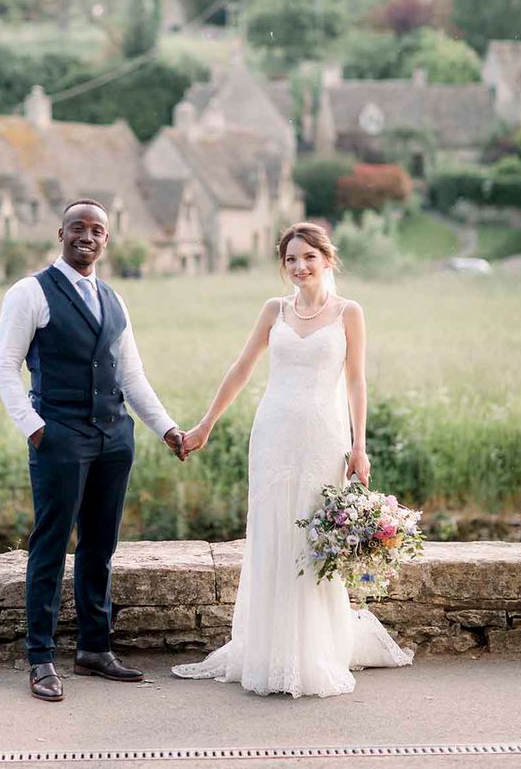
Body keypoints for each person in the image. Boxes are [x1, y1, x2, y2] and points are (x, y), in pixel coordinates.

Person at [173, 221, 413, 697]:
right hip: (273, 436)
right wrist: (204, 425)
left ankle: (314, 652)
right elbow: (241, 369)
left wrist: (359, 447)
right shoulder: (274, 311)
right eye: (290, 260)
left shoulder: (349, 313)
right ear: (283, 267)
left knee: (312, 539)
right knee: (273, 536)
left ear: (327, 259)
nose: (300, 267)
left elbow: (357, 382)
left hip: (325, 438)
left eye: (309, 257)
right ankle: (267, 650)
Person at [0, 199, 187, 702]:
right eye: (78, 227)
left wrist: (166, 429)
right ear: (61, 232)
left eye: (97, 230)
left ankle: (94, 650)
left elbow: (131, 376)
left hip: (114, 438)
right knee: (51, 546)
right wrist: (36, 429)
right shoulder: (30, 291)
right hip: (59, 436)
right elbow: (4, 368)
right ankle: (40, 658)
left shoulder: (114, 298)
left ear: (107, 240)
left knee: (100, 546)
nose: (88, 236)